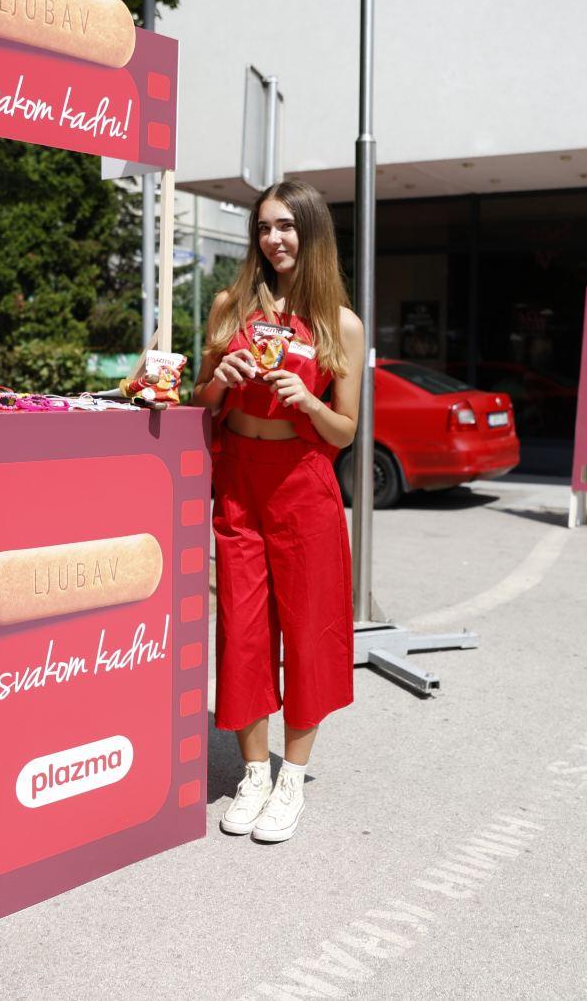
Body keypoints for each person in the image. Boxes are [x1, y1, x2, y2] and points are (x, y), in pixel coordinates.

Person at [192, 179, 365, 843]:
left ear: (311, 232)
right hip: (240, 477)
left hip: (303, 479)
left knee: (309, 630)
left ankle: (292, 776)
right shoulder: (231, 306)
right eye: (264, 227)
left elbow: (345, 430)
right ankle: (254, 772)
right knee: (241, 626)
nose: (274, 238)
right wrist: (219, 381)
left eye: (287, 226)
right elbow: (199, 401)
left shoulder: (339, 324)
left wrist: (308, 400)